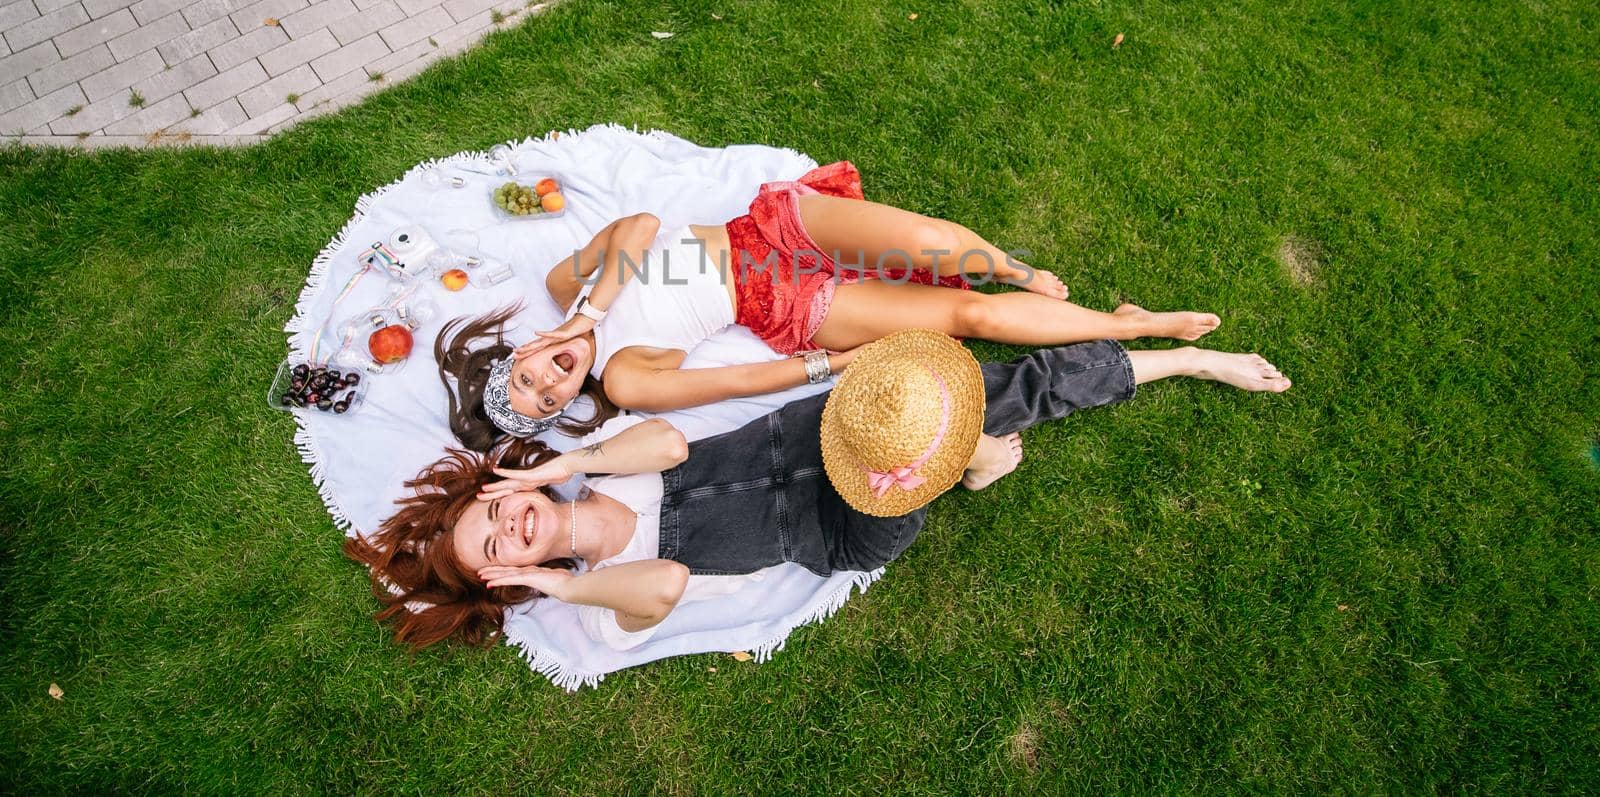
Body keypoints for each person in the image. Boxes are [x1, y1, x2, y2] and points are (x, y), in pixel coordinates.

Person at [349, 332, 1290, 649]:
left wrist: (558, 467)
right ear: (517, 578)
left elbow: (674, 436)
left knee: (983, 395)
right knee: (943, 447)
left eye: (492, 512)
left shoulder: (600, 460)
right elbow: (666, 589)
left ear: (503, 484)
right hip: (847, 522)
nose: (511, 524)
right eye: (501, 549)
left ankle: (1184, 361)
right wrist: (551, 580)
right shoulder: (602, 597)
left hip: (829, 431)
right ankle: (962, 462)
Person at [437, 160, 1222, 449]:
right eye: (549, 400)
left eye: (529, 377)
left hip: (764, 226)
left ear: (527, 350)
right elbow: (739, 383)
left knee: (930, 241)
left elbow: (641, 226)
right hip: (782, 301)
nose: (552, 382)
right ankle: (1135, 323)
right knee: (966, 319)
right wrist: (831, 362)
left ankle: (1014, 267)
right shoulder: (625, 378)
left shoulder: (560, 290)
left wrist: (586, 309)